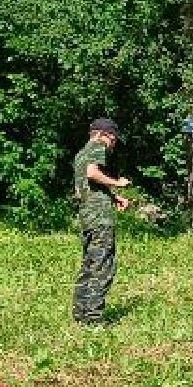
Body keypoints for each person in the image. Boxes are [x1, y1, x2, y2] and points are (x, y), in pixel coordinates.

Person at [71, 118, 132, 324]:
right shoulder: (98, 145)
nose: (113, 143)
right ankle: (94, 318)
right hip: (100, 218)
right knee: (103, 265)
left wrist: (115, 197)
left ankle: (80, 314)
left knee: (89, 264)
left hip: (87, 216)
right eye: (113, 137)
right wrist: (118, 183)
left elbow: (84, 185)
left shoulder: (81, 154)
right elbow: (92, 173)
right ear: (104, 134)